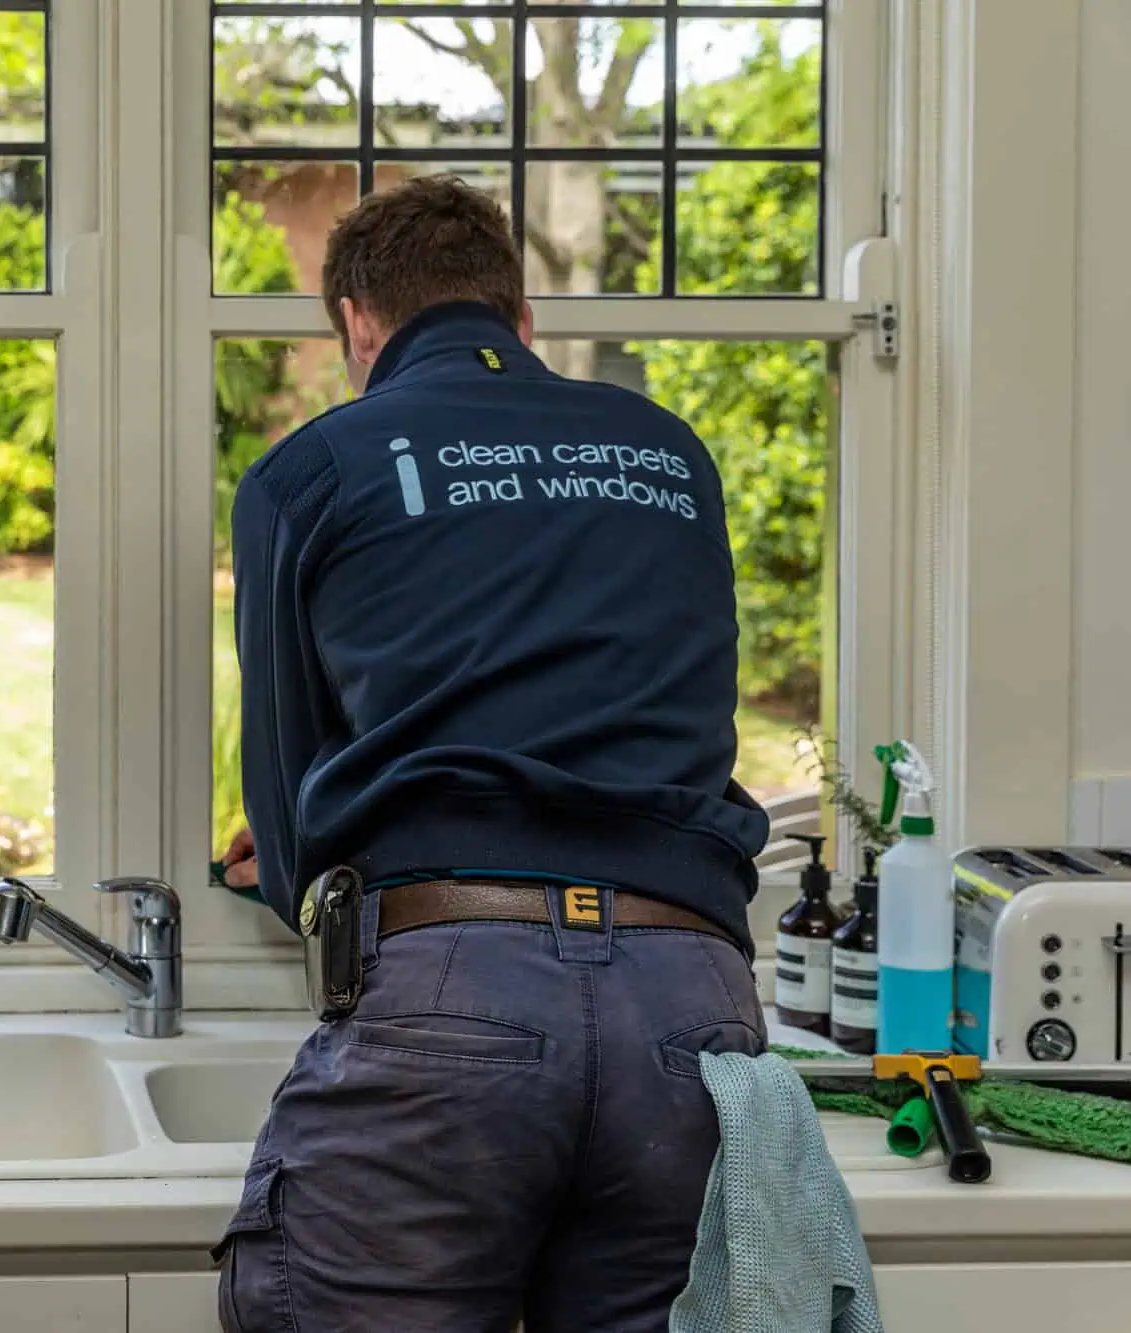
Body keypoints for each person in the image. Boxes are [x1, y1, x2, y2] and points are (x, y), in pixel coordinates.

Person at [214, 175, 772, 1333]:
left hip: (452, 990)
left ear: (356, 325)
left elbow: (287, 790)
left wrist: (291, 870)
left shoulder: (310, 470)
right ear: (519, 320)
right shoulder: (670, 453)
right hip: (694, 1006)